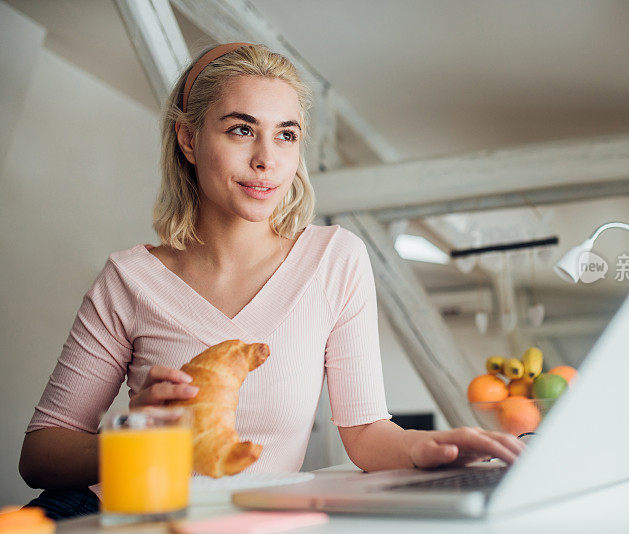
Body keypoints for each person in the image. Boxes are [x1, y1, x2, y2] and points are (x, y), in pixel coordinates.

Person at [18, 43, 523, 520]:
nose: (267, 159)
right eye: (241, 130)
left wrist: (427, 446)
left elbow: (367, 432)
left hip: (246, 522)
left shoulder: (335, 259)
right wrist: (134, 436)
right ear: (188, 138)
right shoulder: (128, 280)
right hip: (114, 514)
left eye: (286, 134)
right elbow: (40, 454)